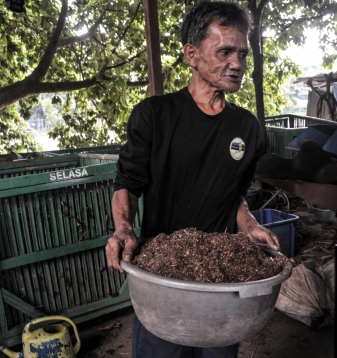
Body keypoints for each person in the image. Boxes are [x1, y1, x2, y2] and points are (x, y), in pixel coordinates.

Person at [105, 2, 280, 357]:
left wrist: (248, 226)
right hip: (164, 276)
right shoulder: (155, 116)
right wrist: (123, 228)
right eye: (225, 52)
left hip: (220, 279)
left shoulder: (248, 128)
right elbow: (128, 183)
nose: (237, 63)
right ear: (192, 55)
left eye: (242, 54)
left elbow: (234, 195)